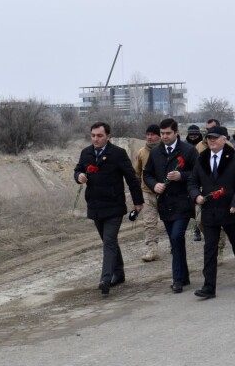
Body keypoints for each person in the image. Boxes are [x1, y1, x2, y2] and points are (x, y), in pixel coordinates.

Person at [74, 122, 144, 295]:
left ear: (108, 137)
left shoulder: (118, 154)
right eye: (93, 136)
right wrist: (79, 176)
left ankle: (106, 278)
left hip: (114, 206)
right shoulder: (86, 153)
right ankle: (119, 273)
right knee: (108, 242)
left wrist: (138, 201)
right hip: (96, 206)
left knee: (110, 241)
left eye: (99, 136)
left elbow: (131, 178)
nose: (96, 139)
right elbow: (77, 170)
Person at [187, 126, 235, 298]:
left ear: (224, 139)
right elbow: (192, 182)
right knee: (209, 248)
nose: (212, 140)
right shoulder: (202, 159)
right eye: (209, 138)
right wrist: (196, 196)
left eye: (215, 137)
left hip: (230, 209)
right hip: (210, 211)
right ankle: (209, 286)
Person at [143, 118, 198, 293]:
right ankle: (185, 275)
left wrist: (182, 176)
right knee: (176, 242)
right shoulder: (156, 152)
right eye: (162, 133)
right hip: (165, 204)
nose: (164, 136)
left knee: (176, 238)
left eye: (168, 133)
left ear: (176, 133)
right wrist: (154, 185)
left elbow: (199, 174)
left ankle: (177, 280)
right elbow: (147, 174)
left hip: (183, 203)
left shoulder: (188, 151)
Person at [135, 124, 161, 262]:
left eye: (153, 134)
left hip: (165, 193)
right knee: (149, 222)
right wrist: (136, 194)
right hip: (147, 193)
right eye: (148, 134)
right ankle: (152, 249)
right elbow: (137, 174)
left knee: (171, 221)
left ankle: (175, 246)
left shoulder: (165, 151)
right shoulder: (141, 153)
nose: (150, 137)